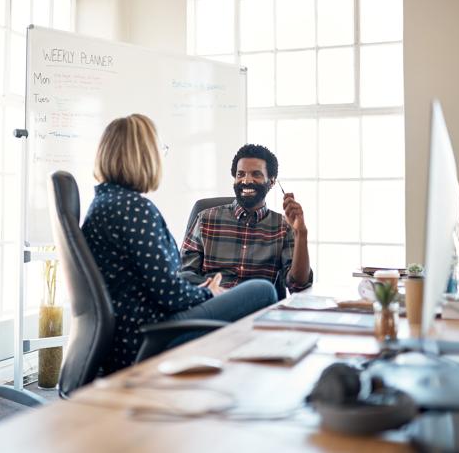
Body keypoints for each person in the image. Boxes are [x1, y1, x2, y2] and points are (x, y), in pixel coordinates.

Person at [82, 114, 277, 374]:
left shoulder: (105, 203)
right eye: (159, 149)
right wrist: (209, 293)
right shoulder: (134, 209)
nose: (161, 157)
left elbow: (159, 284)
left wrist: (201, 290)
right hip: (148, 337)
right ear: (144, 155)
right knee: (262, 291)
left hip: (126, 334)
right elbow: (170, 294)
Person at [180, 143, 313, 298]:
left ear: (271, 182)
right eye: (240, 174)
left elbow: (298, 285)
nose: (245, 180)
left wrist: (301, 234)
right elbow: (184, 275)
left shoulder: (283, 226)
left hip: (256, 308)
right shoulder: (205, 219)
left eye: (256, 174)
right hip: (212, 303)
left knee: (263, 289)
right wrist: (213, 290)